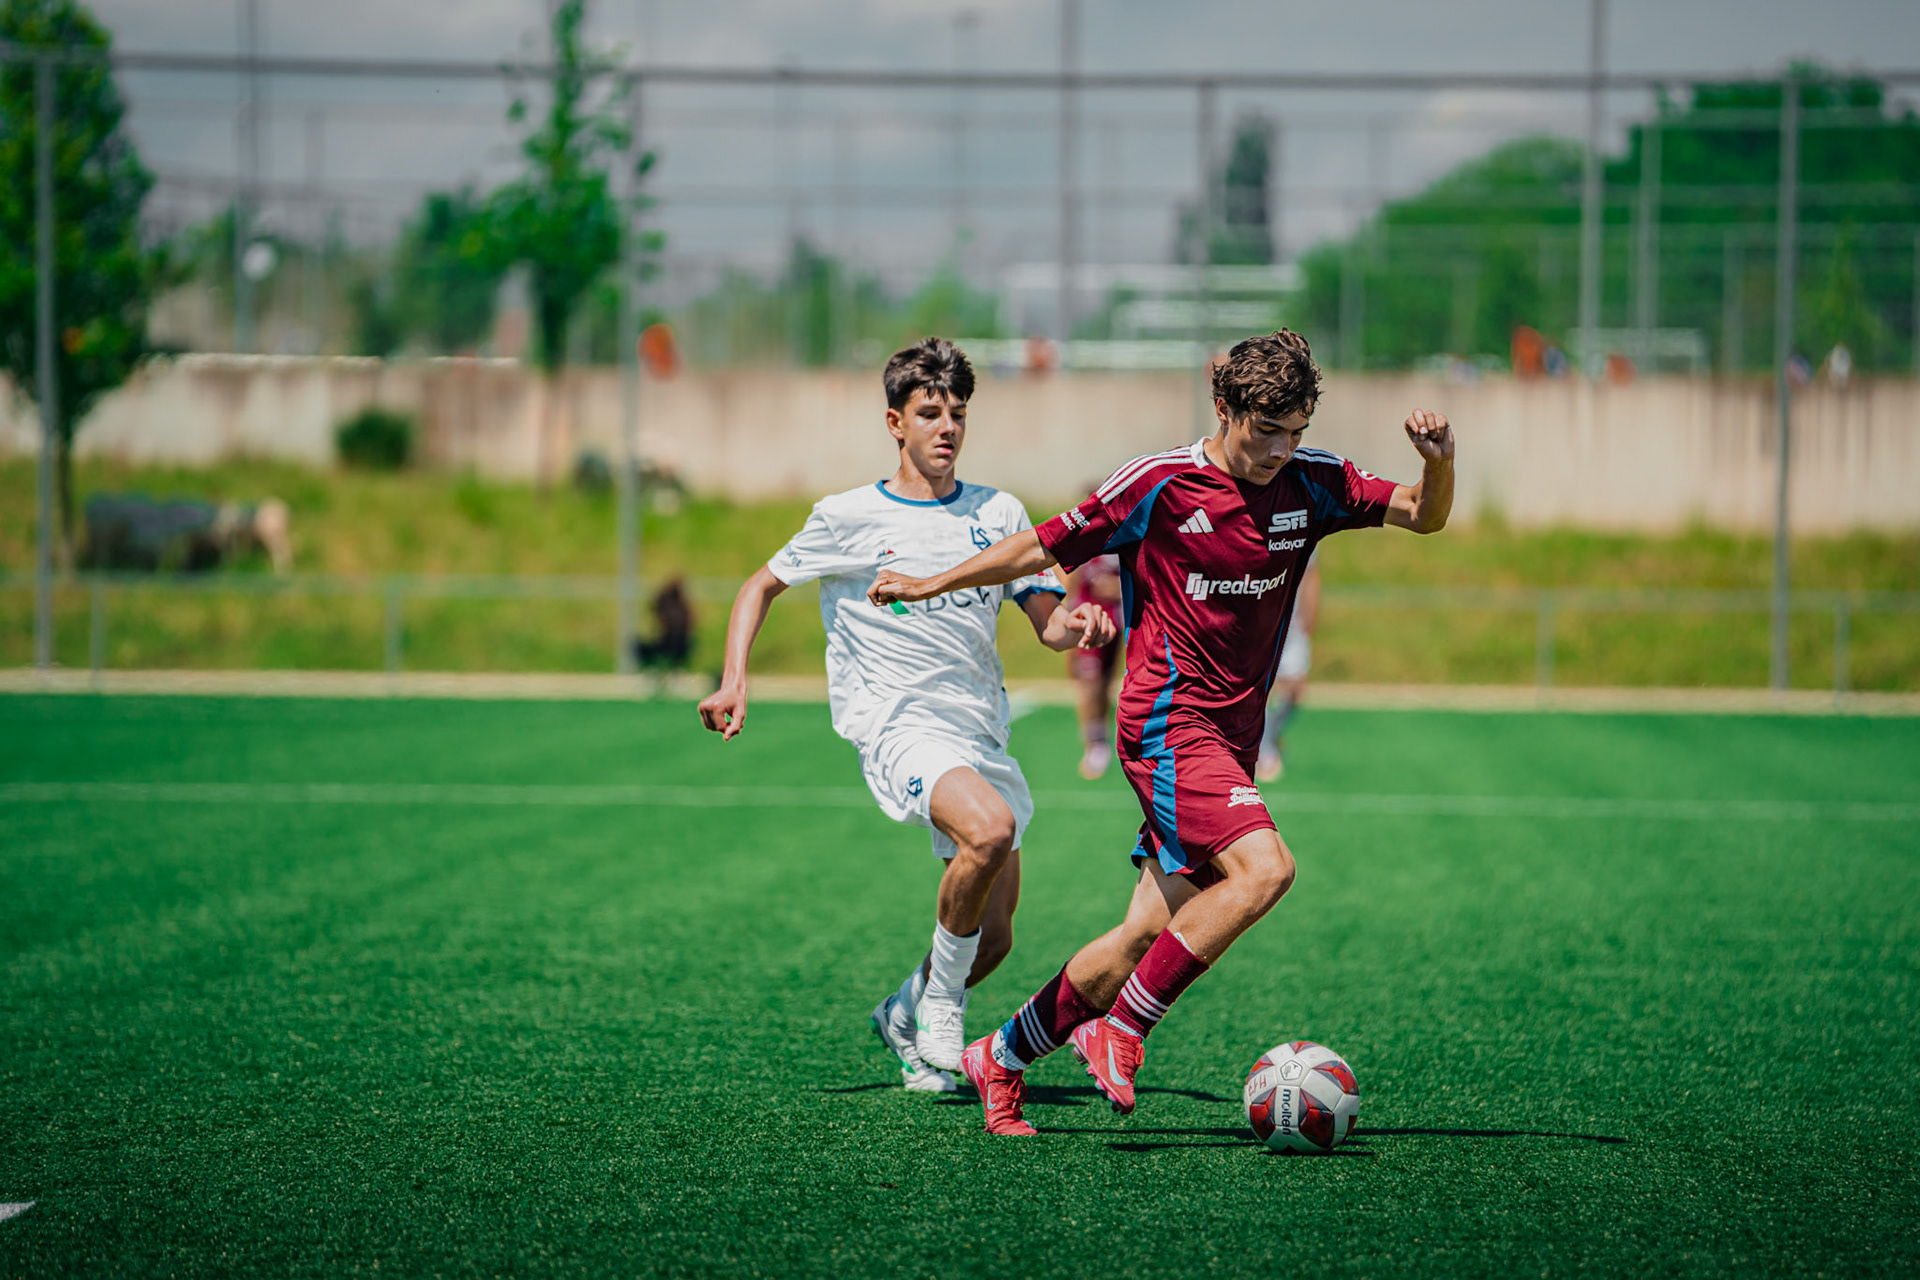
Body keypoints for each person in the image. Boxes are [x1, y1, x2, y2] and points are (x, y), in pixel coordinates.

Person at [869, 330, 1453, 1134]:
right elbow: (1040, 544)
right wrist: (933, 581)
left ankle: (998, 1056)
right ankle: (1125, 1030)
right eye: (1265, 431)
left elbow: (1423, 515)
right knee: (1265, 870)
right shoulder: (1160, 483)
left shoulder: (1314, 483)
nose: (1281, 450)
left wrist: (1440, 460)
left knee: (1142, 934)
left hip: (1230, 739)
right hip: (1167, 727)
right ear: (1224, 409)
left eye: (1296, 432)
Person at [696, 337, 1116, 1093]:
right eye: (929, 413)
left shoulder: (1000, 512)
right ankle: (942, 1017)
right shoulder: (847, 515)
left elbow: (1047, 621)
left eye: (957, 412)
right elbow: (758, 586)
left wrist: (1079, 625)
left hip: (979, 730)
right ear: (896, 422)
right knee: (985, 829)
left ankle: (906, 1009)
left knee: (996, 936)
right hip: (897, 725)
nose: (947, 427)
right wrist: (734, 681)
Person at [1256, 549, 1319, 782]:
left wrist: (1309, 617)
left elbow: (1311, 575)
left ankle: (1269, 735)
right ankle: (1261, 749)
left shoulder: (1304, 519)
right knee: (1261, 688)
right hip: (1259, 621)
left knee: (1295, 690)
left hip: (1291, 622)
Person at [1067, 545, 1124, 780]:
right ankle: (1094, 743)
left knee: (1106, 683)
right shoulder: (1087, 538)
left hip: (1118, 618)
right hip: (1087, 621)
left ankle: (1102, 737)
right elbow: (1068, 572)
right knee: (1089, 681)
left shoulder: (1126, 540)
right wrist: (1067, 609)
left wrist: (1118, 590)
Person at [634, 576, 695, 670]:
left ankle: (671, 667)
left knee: (679, 641)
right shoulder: (674, 606)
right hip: (666, 642)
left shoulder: (677, 608)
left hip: (676, 643)